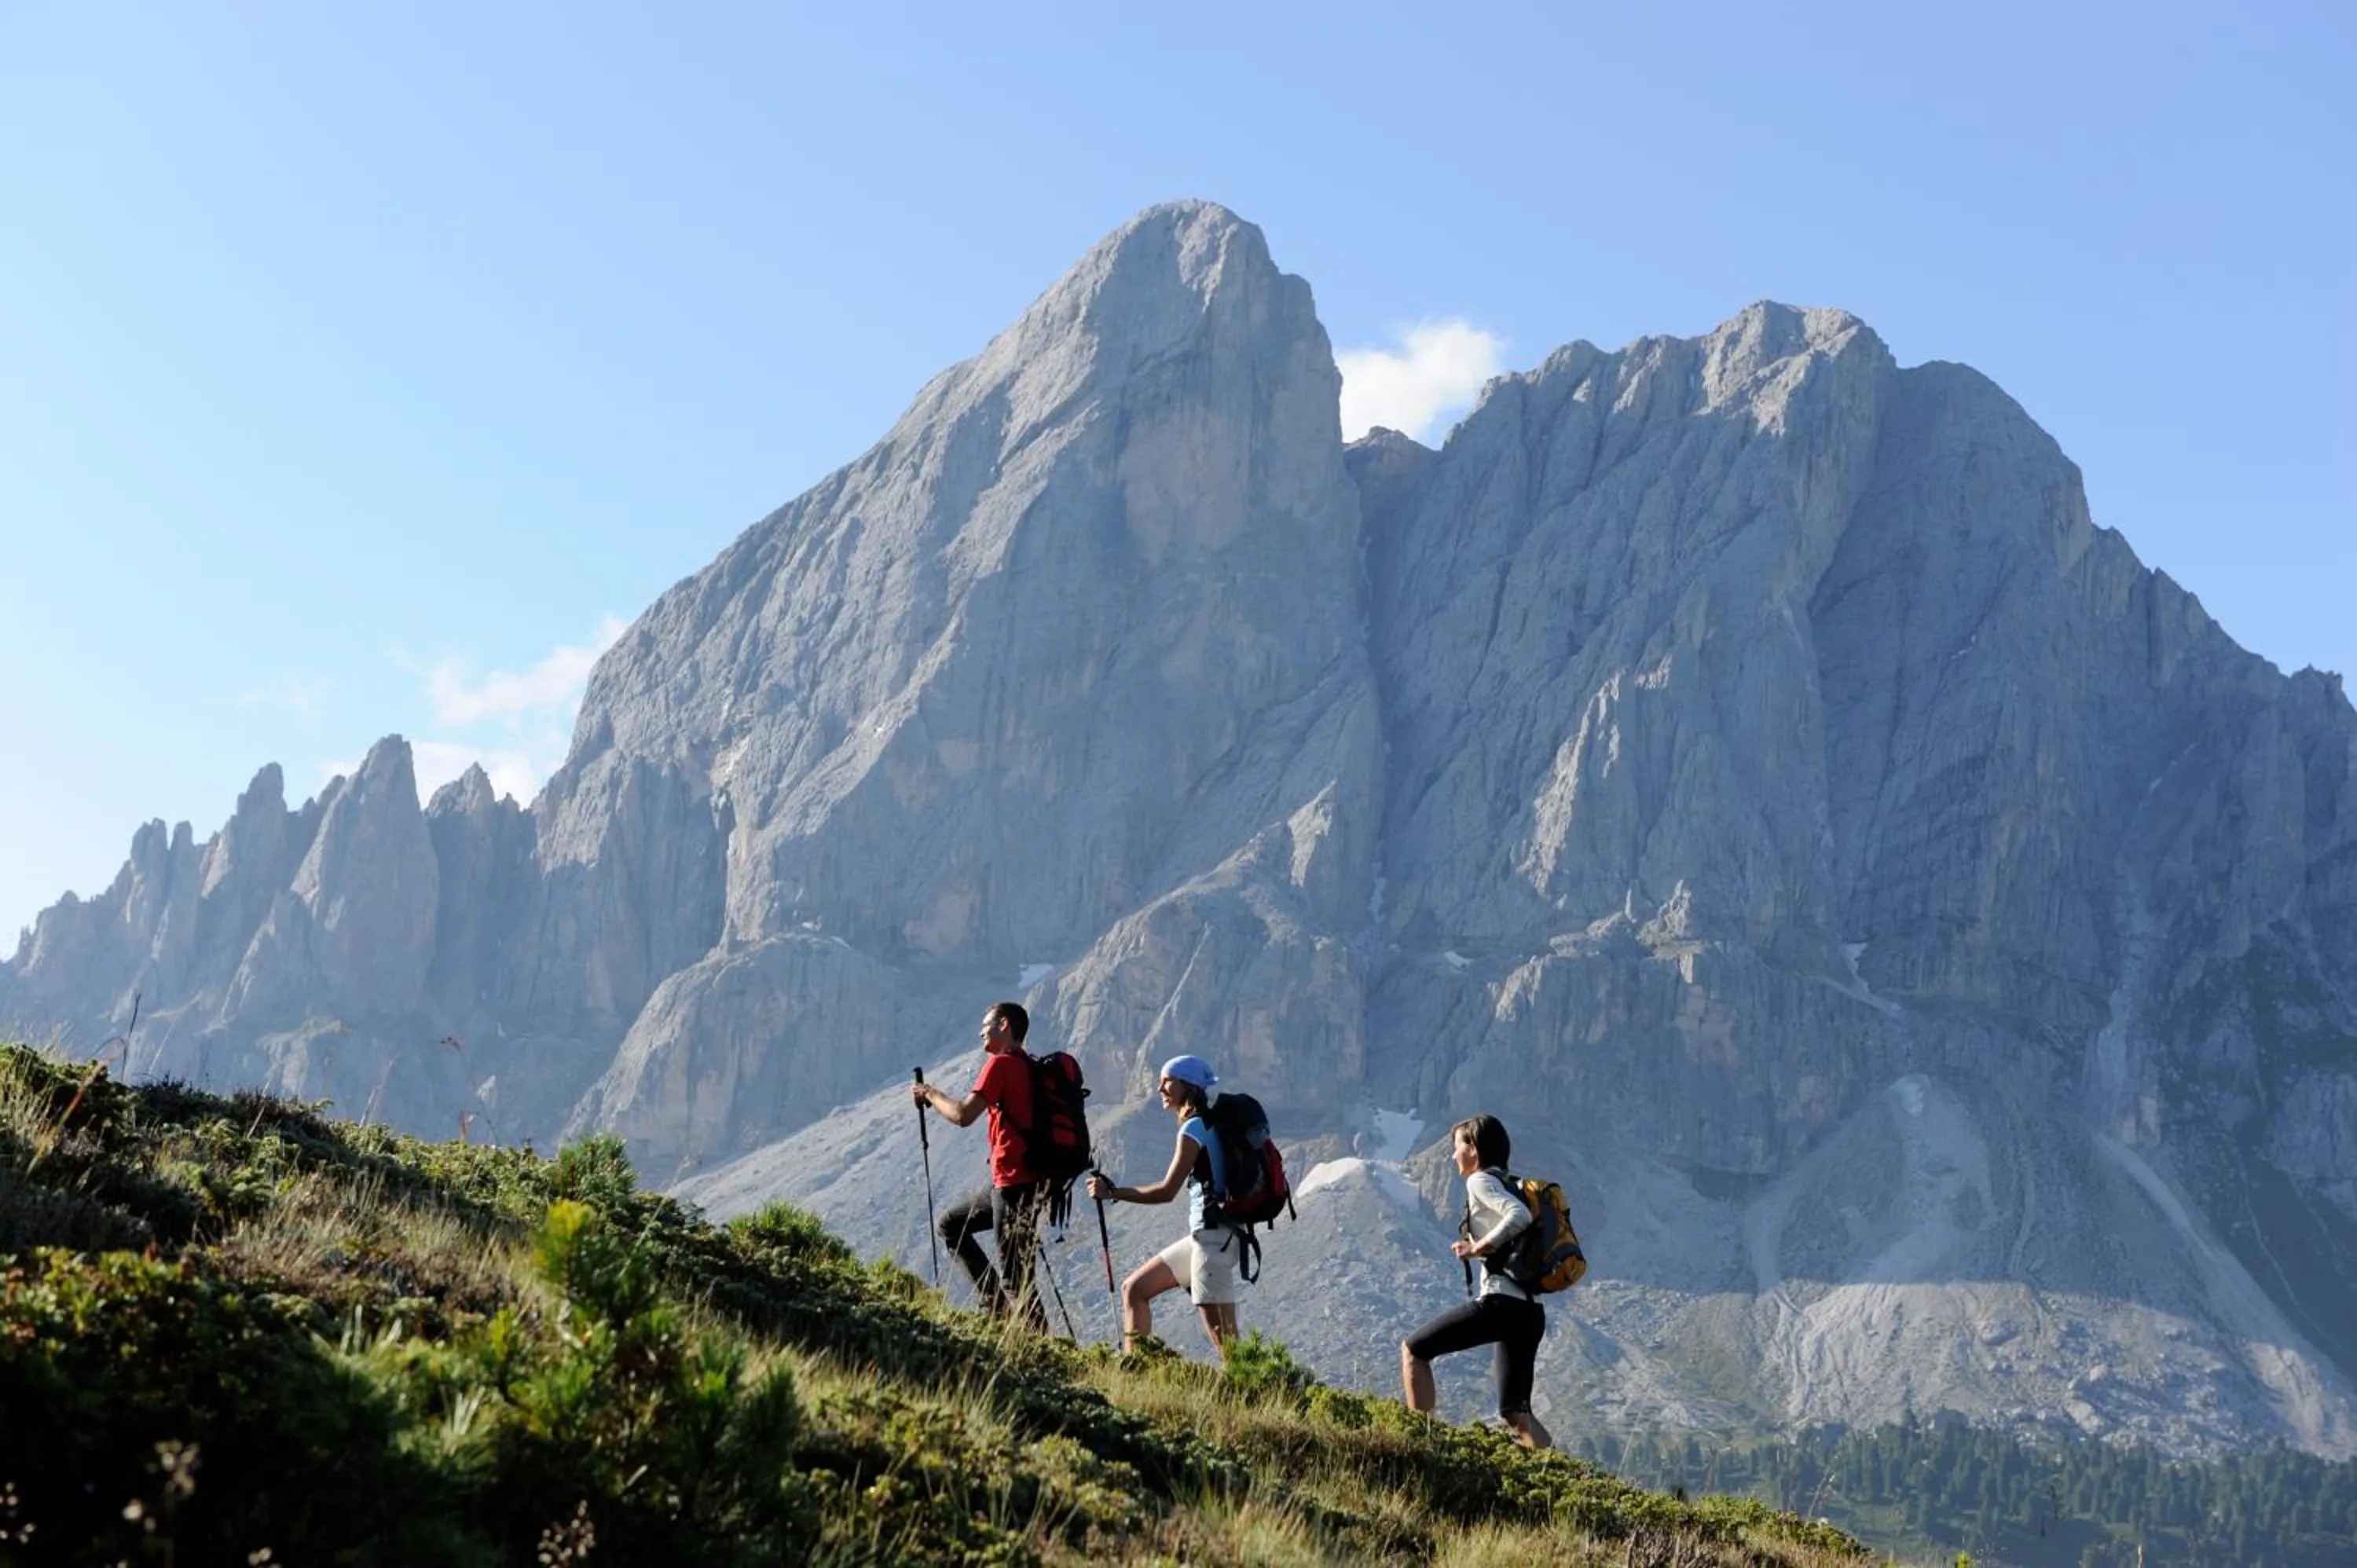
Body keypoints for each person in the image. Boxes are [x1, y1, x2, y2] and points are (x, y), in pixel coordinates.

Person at [1399, 1114, 1554, 1449]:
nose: (1453, 1156)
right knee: (1516, 1413)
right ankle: (1560, 1482)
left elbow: (1519, 1216)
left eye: (1457, 1148)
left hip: (1502, 1304)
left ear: (1474, 1149)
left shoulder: (1480, 1182)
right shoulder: (1512, 1182)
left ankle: (1419, 1446)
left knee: (1414, 1350)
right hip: (1531, 1312)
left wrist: (1477, 1247)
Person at [1084, 1054, 1242, 1359]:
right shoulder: (1209, 1123)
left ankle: (1258, 1398)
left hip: (1213, 1241)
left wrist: (1112, 1192)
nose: (1160, 1088)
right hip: (1209, 1237)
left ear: (1188, 1086)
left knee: (1229, 1348)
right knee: (1135, 1289)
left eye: (1167, 1081)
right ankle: (1134, 1372)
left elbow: (1166, 1191)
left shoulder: (1194, 1128)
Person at [912, 1001, 1048, 1328]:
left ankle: (1042, 1349)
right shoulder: (1029, 1067)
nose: (981, 1032)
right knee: (951, 1226)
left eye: (986, 1025)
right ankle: (998, 1309)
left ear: (1004, 1025)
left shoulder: (1001, 1065)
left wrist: (929, 1093)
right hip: (1025, 1183)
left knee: (1016, 1278)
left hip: (1015, 1184)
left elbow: (963, 1115)